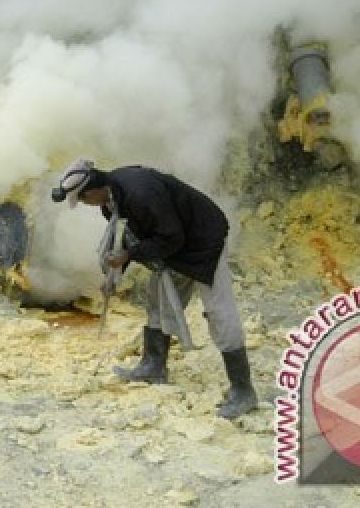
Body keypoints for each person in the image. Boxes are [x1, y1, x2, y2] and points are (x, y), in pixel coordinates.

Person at [52, 158, 259, 418]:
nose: (85, 205)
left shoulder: (140, 194)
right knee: (158, 300)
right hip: (176, 245)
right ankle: (153, 366)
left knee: (218, 310)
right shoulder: (111, 201)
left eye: (82, 199)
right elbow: (127, 238)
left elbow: (171, 237)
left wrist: (129, 256)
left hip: (204, 241)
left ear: (92, 190)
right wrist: (114, 275)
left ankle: (243, 391)